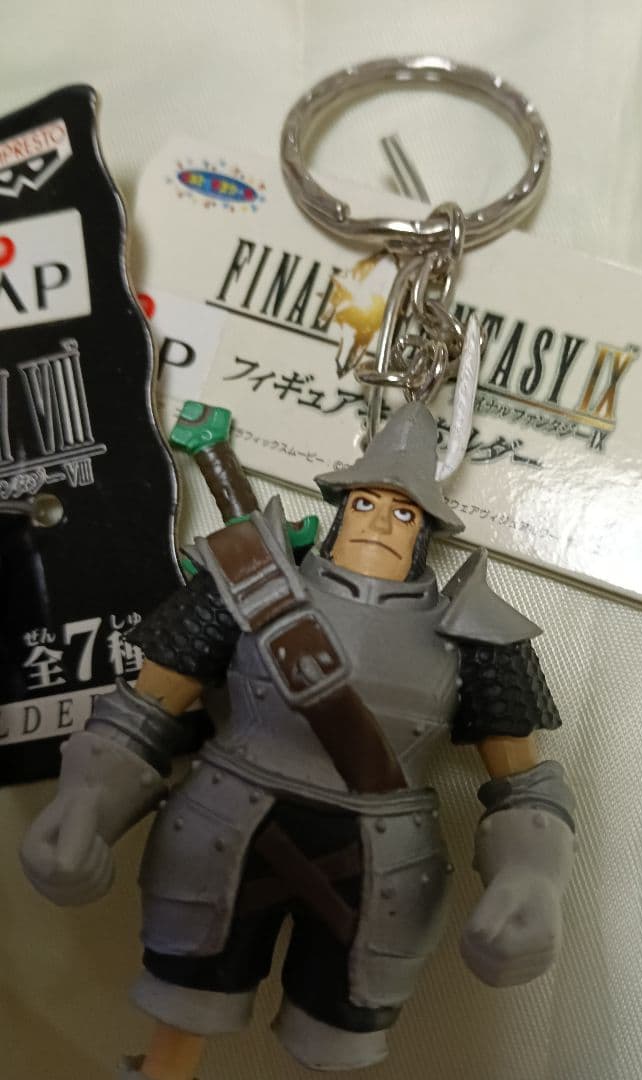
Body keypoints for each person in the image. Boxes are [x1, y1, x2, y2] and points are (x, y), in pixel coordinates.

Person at [21, 403, 576, 1080]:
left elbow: (521, 780)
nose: (379, 522)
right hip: (225, 823)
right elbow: (146, 707)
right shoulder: (247, 580)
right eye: (366, 503)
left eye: (402, 513)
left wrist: (531, 874)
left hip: (382, 862)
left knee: (336, 1041)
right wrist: (86, 804)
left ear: (425, 532)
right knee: (182, 1012)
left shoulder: (475, 633)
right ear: (340, 510)